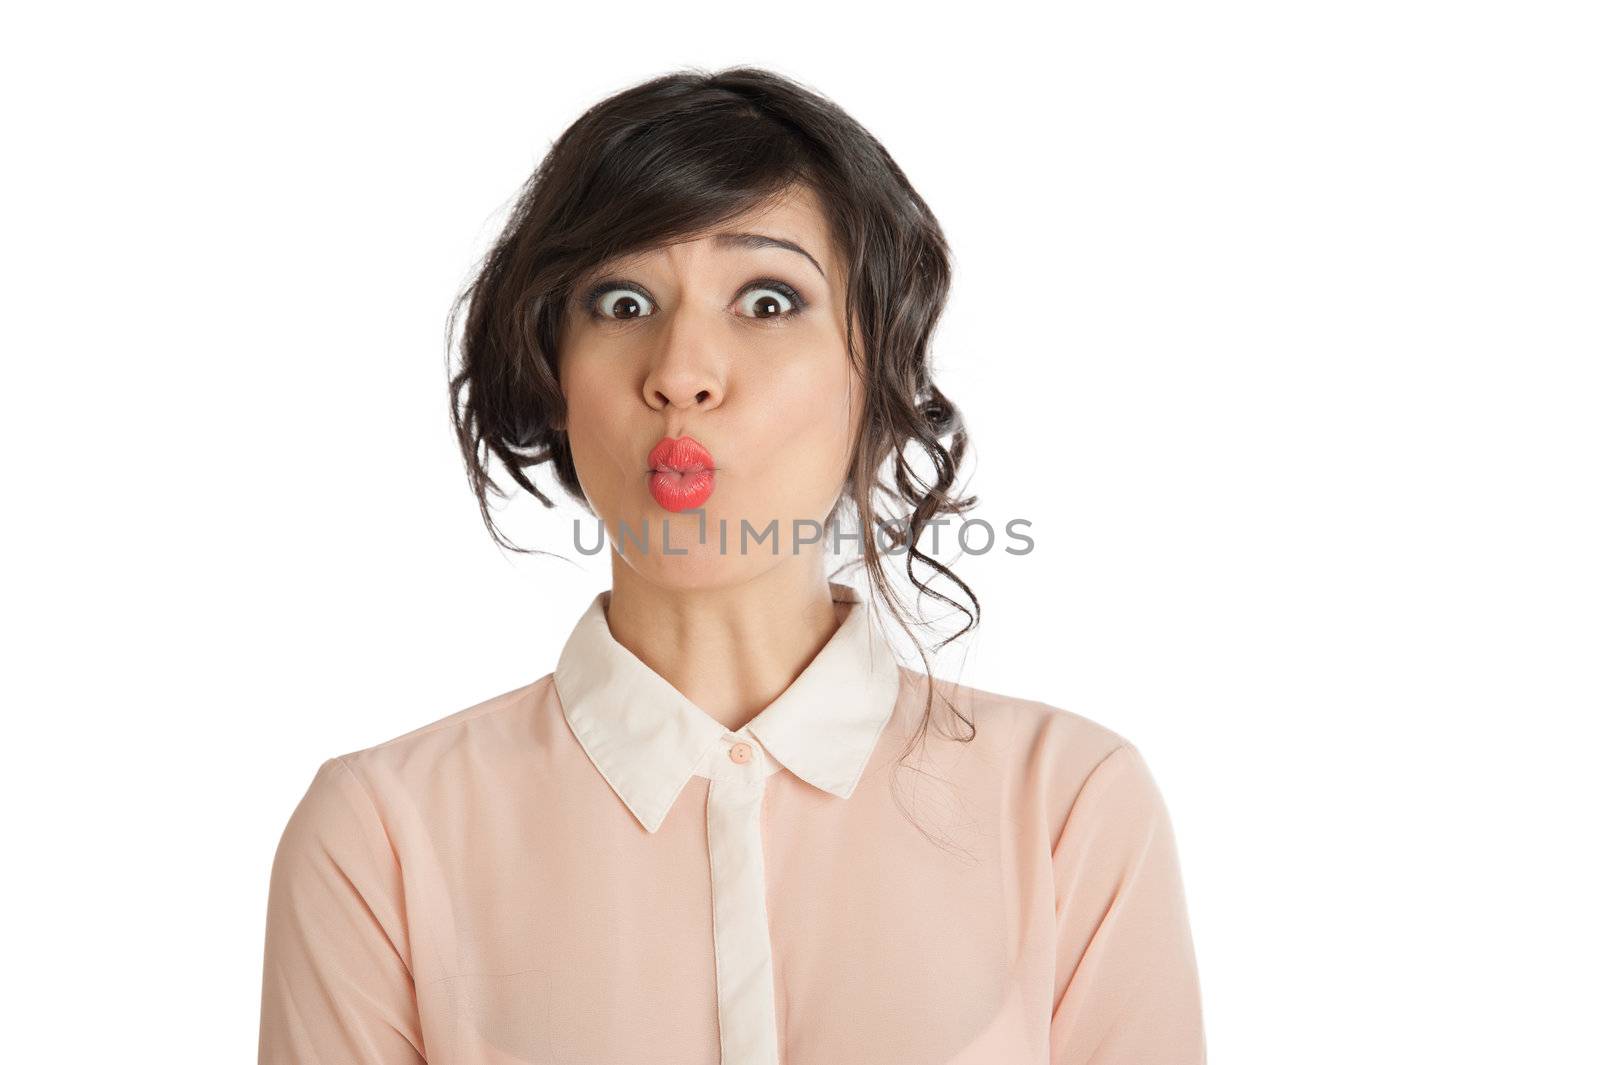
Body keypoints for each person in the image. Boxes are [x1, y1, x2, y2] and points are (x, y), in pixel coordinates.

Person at [258, 66, 1206, 1065]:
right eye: (621, 302)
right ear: (553, 375)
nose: (678, 373)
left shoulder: (1067, 807)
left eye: (765, 300)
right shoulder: (382, 834)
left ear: (872, 369)